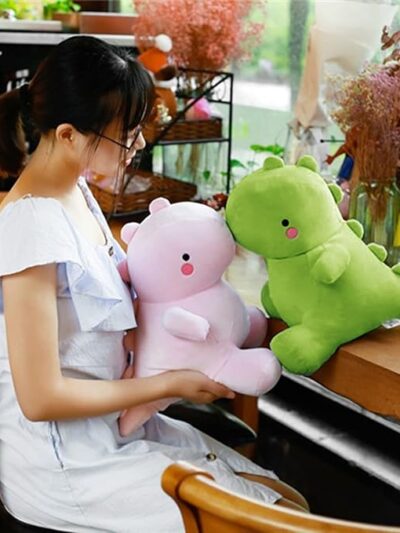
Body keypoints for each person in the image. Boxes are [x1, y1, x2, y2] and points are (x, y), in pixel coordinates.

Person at [0, 36, 306, 532]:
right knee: (271, 521)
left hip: (116, 426)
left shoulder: (77, 192)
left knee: (287, 500)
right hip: (68, 463)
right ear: (69, 135)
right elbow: (39, 399)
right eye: (128, 134)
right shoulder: (30, 225)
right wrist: (169, 384)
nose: (139, 144)